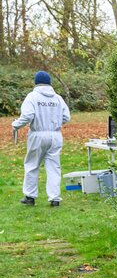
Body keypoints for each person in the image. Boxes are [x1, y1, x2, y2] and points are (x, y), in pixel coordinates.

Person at [12, 71, 71, 207]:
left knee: (32, 165)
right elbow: (66, 117)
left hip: (37, 134)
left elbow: (28, 116)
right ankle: (55, 199)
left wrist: (15, 125)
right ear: (49, 83)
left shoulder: (32, 97)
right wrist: (55, 122)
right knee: (54, 167)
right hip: (55, 135)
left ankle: (30, 197)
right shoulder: (57, 98)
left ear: (36, 82)